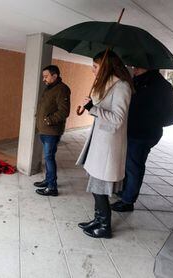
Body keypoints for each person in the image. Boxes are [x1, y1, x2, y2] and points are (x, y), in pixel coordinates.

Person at [76, 50, 133, 238]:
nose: (93, 70)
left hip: (108, 146)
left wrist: (94, 108)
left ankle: (104, 226)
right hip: (99, 143)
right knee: (95, 185)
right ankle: (97, 219)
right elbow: (102, 112)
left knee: (99, 187)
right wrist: (91, 106)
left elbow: (118, 119)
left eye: (95, 66)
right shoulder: (109, 85)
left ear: (106, 65)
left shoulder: (122, 86)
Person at [111, 68, 173, 212]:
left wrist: (151, 121)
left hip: (143, 134)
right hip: (130, 131)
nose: (134, 69)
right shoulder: (135, 82)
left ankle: (128, 201)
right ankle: (124, 191)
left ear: (148, 67)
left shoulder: (161, 86)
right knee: (127, 164)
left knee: (134, 167)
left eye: (138, 67)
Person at [34, 65, 71, 197]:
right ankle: (48, 180)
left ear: (54, 76)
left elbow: (64, 111)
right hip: (44, 130)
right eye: (43, 76)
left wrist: (48, 120)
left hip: (51, 131)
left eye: (46, 76)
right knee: (48, 157)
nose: (44, 79)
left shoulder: (62, 89)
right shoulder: (50, 88)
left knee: (49, 158)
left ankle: (52, 187)